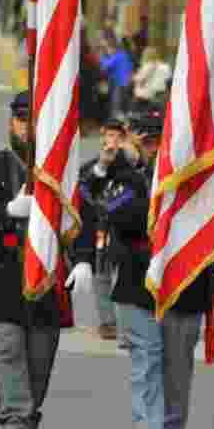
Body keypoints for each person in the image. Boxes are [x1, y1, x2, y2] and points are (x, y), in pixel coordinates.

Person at [103, 110, 214, 429]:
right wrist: (171, 206)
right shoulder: (128, 178)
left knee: (177, 366)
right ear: (137, 146)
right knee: (147, 358)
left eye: (161, 141)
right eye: (147, 142)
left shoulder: (200, 185)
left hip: (186, 286)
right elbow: (119, 217)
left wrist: (191, 200)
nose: (155, 148)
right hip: (139, 286)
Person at [0, 92, 96, 429]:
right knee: (8, 350)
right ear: (12, 123)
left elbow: (81, 218)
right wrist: (6, 212)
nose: (28, 128)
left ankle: (28, 416)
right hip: (3, 273)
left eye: (35, 121)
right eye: (21, 120)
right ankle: (15, 418)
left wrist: (85, 258)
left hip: (47, 277)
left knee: (40, 356)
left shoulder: (63, 173)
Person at [79, 118, 132, 340]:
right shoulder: (93, 166)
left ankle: (127, 322)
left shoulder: (131, 166)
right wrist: (102, 166)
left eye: (118, 137)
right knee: (101, 275)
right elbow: (84, 192)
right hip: (101, 230)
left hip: (125, 230)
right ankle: (108, 322)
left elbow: (135, 191)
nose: (113, 141)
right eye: (109, 136)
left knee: (125, 276)